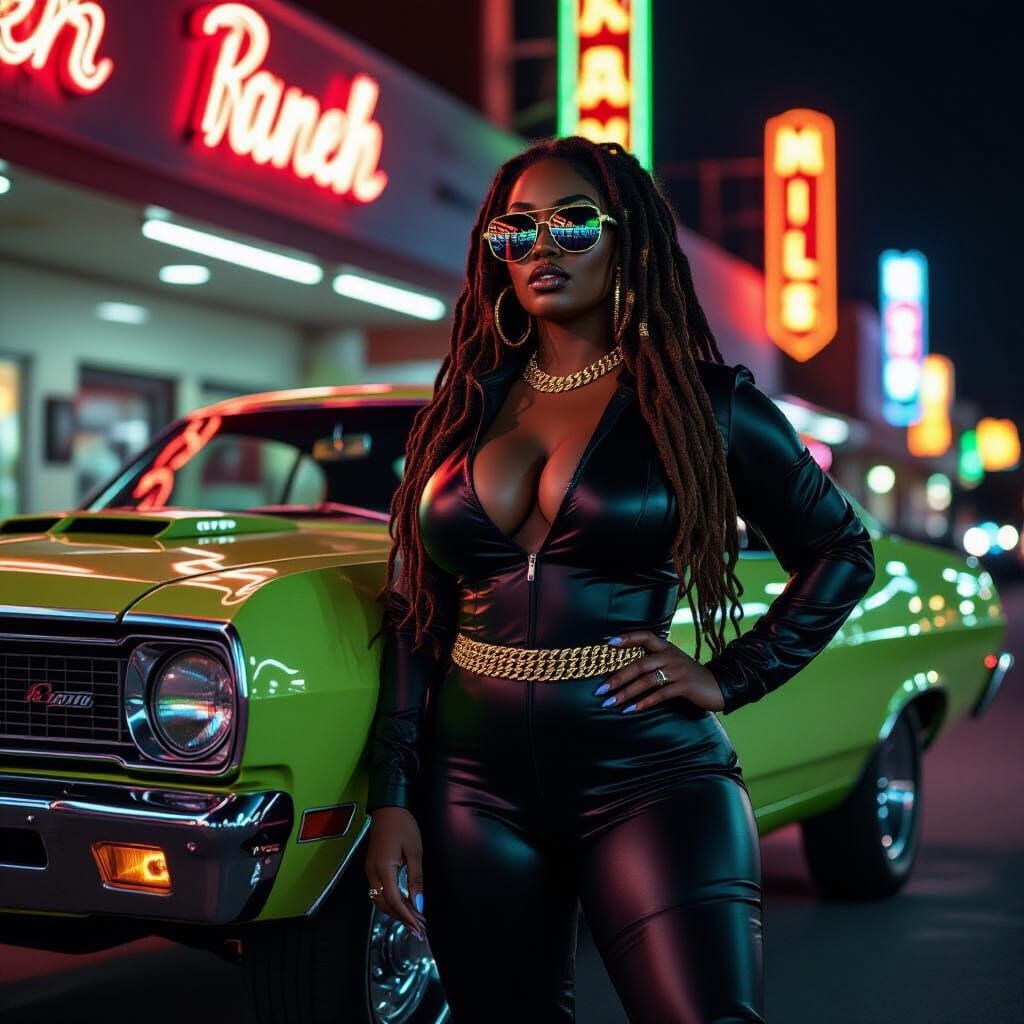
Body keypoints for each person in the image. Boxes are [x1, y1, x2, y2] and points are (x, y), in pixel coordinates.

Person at [364, 136, 876, 1023]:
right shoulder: (461, 409)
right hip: (472, 789)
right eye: (515, 230)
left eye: (571, 223)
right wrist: (394, 798)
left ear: (626, 237)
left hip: (649, 773)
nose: (539, 248)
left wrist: (729, 675)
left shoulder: (705, 404)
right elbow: (418, 613)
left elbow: (842, 551)